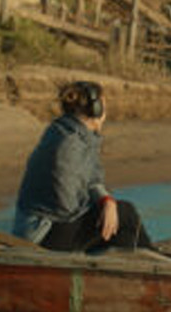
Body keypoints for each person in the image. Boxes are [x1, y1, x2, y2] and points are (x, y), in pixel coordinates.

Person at [13, 80, 155, 253]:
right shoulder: (69, 143)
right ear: (96, 109)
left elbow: (93, 180)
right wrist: (101, 210)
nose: (105, 112)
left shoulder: (77, 134)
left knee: (122, 229)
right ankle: (160, 268)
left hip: (55, 226)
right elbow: (66, 206)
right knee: (126, 213)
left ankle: (138, 269)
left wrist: (106, 201)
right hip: (42, 234)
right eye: (104, 105)